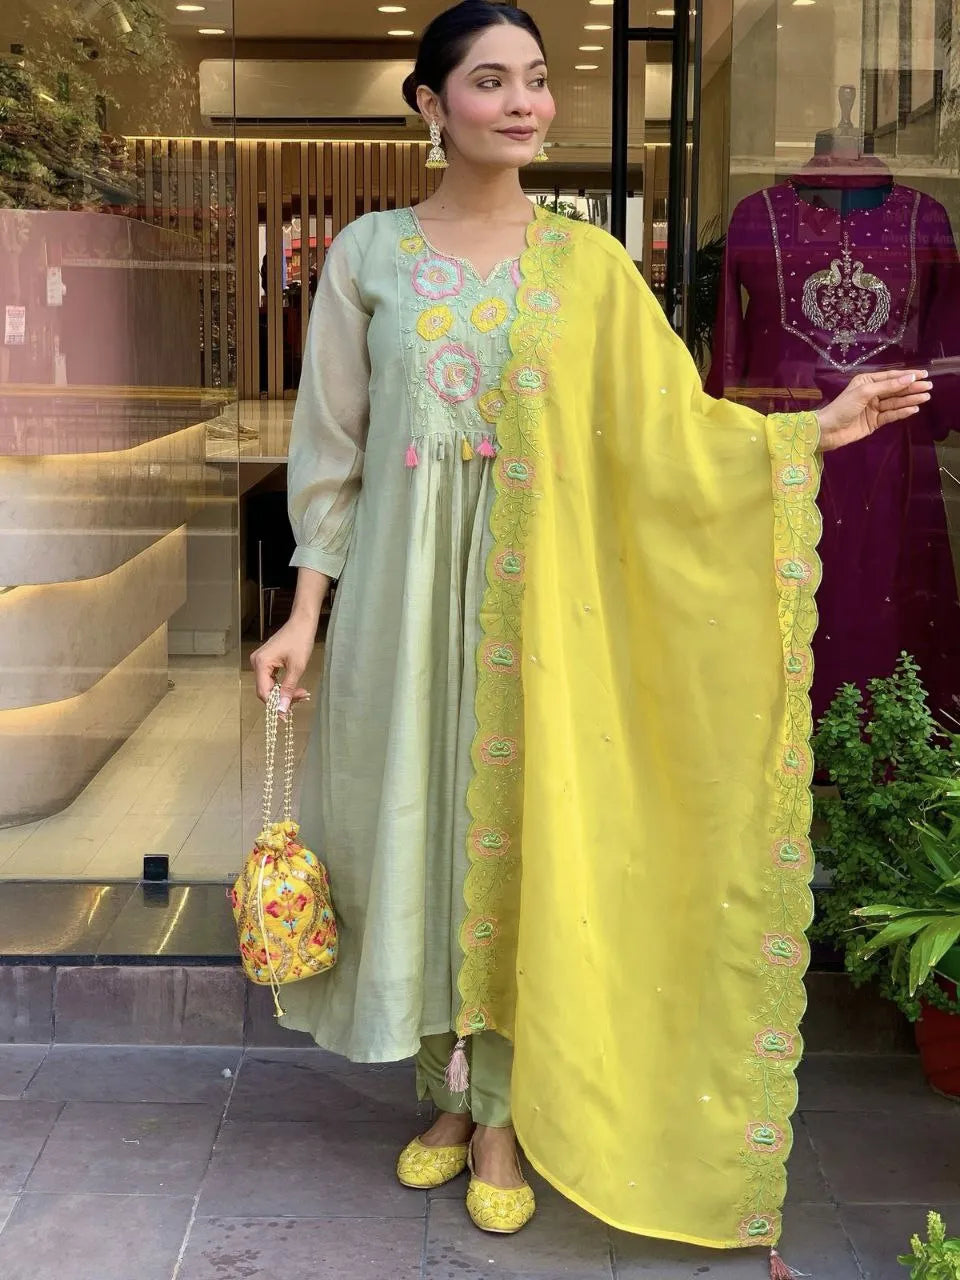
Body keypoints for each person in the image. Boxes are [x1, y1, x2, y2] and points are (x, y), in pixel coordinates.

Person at [251, 0, 932, 1265]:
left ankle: (505, 1112)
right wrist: (303, 616)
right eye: (491, 82)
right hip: (403, 608)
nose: (523, 103)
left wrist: (804, 435)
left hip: (539, 619)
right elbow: (330, 455)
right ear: (430, 105)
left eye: (536, 81)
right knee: (425, 835)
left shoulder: (588, 268)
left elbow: (668, 432)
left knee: (525, 838)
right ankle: (447, 1092)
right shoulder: (369, 258)